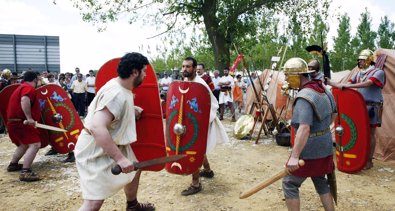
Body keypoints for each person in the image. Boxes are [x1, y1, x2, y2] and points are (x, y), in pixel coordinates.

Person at [74, 52, 155, 211]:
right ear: (134, 72)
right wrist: (120, 159)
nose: (145, 75)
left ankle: (132, 206)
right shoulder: (116, 94)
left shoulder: (119, 85)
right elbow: (97, 127)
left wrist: (131, 109)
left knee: (134, 168)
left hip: (110, 143)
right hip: (95, 149)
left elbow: (111, 110)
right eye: (144, 71)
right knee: (94, 202)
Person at [281, 57, 336, 211]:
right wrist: (322, 129)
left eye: (287, 75)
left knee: (290, 183)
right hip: (324, 146)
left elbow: (304, 128)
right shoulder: (324, 89)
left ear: (297, 76)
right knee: (320, 179)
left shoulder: (304, 96)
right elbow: (334, 114)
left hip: (310, 149)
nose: (285, 79)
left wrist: (294, 156)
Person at [327, 49, 385, 170]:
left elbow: (368, 83)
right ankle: (360, 157)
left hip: (373, 106)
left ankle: (369, 160)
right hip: (360, 105)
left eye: (362, 60)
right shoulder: (359, 73)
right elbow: (346, 85)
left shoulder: (378, 72)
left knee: (371, 133)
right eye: (359, 60)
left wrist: (348, 86)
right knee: (359, 132)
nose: (360, 62)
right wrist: (330, 82)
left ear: (369, 60)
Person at [181, 57, 229, 196]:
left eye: (188, 67)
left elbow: (212, 104)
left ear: (195, 68)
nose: (185, 69)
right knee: (199, 148)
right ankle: (207, 171)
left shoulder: (200, 84)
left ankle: (195, 184)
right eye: (183, 66)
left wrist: (200, 122)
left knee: (194, 150)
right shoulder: (184, 82)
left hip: (200, 122)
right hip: (189, 122)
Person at [6, 71, 42, 182]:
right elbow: (24, 99)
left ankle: (13, 164)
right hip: (20, 122)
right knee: (35, 144)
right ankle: (25, 172)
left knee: (24, 144)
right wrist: (29, 118)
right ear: (35, 79)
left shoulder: (21, 87)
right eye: (38, 79)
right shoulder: (29, 88)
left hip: (13, 122)